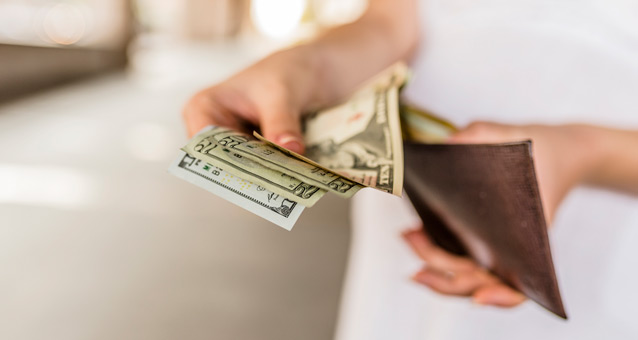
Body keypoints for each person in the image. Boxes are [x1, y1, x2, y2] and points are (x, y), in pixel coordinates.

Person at [184, 0, 638, 338]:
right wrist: (305, 67)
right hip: (408, 264)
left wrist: (583, 151)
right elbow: (391, 21)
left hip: (600, 267)